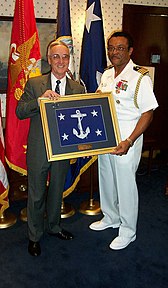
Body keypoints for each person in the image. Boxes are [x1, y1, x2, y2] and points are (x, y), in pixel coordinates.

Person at [89, 31, 158, 250]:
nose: (114, 52)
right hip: (105, 138)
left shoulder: (140, 77)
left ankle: (128, 230)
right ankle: (111, 217)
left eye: (120, 48)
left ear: (130, 51)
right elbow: (99, 103)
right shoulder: (108, 75)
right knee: (106, 178)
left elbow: (148, 113)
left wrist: (129, 140)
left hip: (127, 139)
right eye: (111, 48)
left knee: (126, 185)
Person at [16, 40, 85, 256]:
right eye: (56, 56)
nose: (61, 61)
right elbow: (20, 111)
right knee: (36, 194)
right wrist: (40, 100)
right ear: (49, 58)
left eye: (65, 57)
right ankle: (34, 236)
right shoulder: (35, 84)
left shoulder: (77, 87)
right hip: (39, 148)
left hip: (64, 148)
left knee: (57, 191)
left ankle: (54, 227)